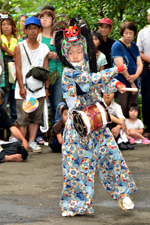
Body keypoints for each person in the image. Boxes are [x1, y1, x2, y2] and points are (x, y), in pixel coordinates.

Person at [54, 17, 136, 217]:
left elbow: (100, 84)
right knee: (76, 166)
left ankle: (122, 193)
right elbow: (89, 81)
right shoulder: (68, 72)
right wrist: (115, 70)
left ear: (85, 50)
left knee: (112, 156)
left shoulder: (88, 67)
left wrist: (117, 85)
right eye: (70, 52)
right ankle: (75, 205)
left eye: (79, 51)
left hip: (97, 121)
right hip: (77, 124)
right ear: (65, 54)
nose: (75, 56)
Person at [14, 17, 49, 153]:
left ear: (39, 30)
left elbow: (46, 70)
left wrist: (46, 88)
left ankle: (32, 141)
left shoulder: (44, 48)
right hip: (23, 90)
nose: (33, 31)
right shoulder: (19, 46)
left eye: (35, 28)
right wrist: (21, 87)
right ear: (26, 30)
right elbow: (18, 68)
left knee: (35, 118)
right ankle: (23, 143)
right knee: (23, 118)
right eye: (30, 28)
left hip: (39, 89)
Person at [111, 21, 143, 118]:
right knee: (122, 107)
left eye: (131, 33)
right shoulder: (117, 45)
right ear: (122, 33)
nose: (128, 35)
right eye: (126, 33)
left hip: (134, 80)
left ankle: (131, 130)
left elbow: (140, 64)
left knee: (132, 109)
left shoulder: (134, 46)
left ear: (134, 34)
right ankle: (121, 131)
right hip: (122, 83)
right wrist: (132, 82)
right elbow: (121, 67)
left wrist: (136, 76)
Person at [38, 9, 63, 127]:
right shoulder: (36, 35)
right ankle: (39, 134)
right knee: (39, 104)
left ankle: (55, 131)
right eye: (42, 17)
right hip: (40, 74)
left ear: (53, 20)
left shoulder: (58, 35)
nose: (45, 20)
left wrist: (56, 55)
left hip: (57, 73)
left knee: (56, 105)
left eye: (48, 17)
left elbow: (67, 54)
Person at [0, 88, 29, 163]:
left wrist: (24, 140)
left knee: (19, 146)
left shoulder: (2, 113)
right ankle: (7, 158)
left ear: (2, 101)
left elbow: (12, 128)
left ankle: (2, 155)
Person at [0, 16, 18, 124]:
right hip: (3, 74)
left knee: (14, 104)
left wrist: (6, 50)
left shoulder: (18, 40)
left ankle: (13, 132)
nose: (6, 27)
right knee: (3, 101)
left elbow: (19, 56)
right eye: (3, 24)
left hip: (15, 73)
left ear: (12, 26)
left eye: (9, 24)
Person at [136, 8, 150, 139]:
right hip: (147, 68)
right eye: (149, 15)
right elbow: (138, 52)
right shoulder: (143, 32)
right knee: (147, 97)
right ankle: (148, 128)